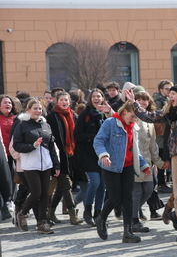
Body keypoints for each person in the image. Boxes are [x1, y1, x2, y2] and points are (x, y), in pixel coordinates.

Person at [128, 82, 177, 242]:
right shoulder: (168, 111)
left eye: (173, 94)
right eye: (169, 94)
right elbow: (148, 116)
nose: (170, 96)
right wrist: (133, 103)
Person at [93, 101, 151, 243]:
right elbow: (98, 141)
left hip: (128, 166)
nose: (134, 119)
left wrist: (144, 165)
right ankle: (101, 218)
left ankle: (127, 232)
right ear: (124, 111)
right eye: (132, 115)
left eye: (136, 117)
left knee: (128, 197)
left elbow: (134, 149)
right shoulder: (110, 123)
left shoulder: (133, 127)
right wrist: (104, 155)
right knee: (115, 196)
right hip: (111, 165)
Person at [13, 99, 60, 234]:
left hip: (46, 164)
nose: (38, 111)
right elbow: (17, 145)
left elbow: (52, 147)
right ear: (28, 110)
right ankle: (22, 213)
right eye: (35, 108)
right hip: (30, 164)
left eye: (40, 109)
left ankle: (42, 222)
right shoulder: (22, 126)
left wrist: (56, 165)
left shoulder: (46, 126)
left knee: (45, 193)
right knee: (36, 192)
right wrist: (32, 146)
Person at [74, 88, 111, 226]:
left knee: (102, 185)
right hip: (88, 154)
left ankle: (98, 213)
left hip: (103, 154)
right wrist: (94, 138)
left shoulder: (105, 113)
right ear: (91, 99)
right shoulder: (85, 114)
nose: (96, 98)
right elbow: (77, 134)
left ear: (102, 98)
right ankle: (87, 210)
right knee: (94, 182)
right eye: (94, 96)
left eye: (99, 96)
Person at [46, 91, 82, 225]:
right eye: (61, 100)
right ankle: (73, 213)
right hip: (59, 155)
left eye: (66, 100)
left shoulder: (74, 116)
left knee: (62, 186)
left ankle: (50, 212)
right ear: (56, 101)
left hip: (71, 154)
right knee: (67, 185)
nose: (64, 102)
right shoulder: (51, 117)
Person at [132, 91, 165, 231]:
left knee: (150, 189)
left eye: (144, 99)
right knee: (137, 191)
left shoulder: (149, 121)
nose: (142, 102)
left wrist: (159, 163)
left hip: (147, 162)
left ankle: (131, 212)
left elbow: (153, 145)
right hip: (133, 161)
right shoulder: (132, 117)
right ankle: (133, 221)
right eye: (138, 99)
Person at [153, 79, 173, 193]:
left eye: (170, 88)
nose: (169, 91)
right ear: (161, 90)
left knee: (164, 159)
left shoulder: (165, 99)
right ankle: (161, 184)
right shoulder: (159, 101)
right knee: (161, 159)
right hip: (160, 136)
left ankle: (162, 182)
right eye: (167, 89)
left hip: (165, 135)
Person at [0, 95, 19, 220]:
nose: (8, 105)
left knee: (12, 178)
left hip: (13, 153)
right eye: (5, 102)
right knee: (3, 179)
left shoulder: (16, 118)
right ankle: (4, 205)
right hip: (2, 153)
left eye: (10, 103)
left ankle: (10, 201)